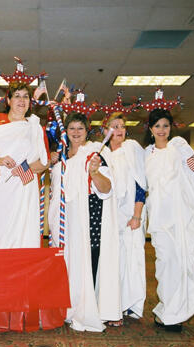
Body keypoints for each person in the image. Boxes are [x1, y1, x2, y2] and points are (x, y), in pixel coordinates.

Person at [0, 81, 50, 333]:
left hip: (24, 190)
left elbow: (44, 161)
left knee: (24, 245)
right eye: (17, 96)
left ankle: (19, 315)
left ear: (30, 102)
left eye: (26, 97)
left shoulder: (34, 126)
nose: (21, 101)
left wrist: (23, 168)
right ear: (8, 100)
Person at [144, 108, 194, 332]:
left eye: (165, 126)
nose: (161, 130)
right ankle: (167, 307)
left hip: (181, 217)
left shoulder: (179, 147)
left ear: (171, 128)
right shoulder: (145, 154)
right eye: (157, 126)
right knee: (165, 264)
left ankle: (172, 314)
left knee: (181, 264)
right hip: (159, 218)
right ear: (150, 129)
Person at [48, 112, 122, 331]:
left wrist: (94, 172)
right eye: (72, 128)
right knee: (67, 263)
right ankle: (68, 306)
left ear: (86, 130)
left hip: (88, 217)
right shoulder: (61, 155)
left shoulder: (96, 152)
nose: (76, 132)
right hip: (66, 220)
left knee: (88, 261)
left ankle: (87, 307)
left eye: (80, 128)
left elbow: (107, 187)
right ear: (65, 131)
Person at [104, 113, 147, 321]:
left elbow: (141, 184)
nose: (119, 129)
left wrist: (137, 215)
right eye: (114, 126)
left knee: (131, 260)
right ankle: (115, 303)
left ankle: (130, 304)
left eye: (122, 126)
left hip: (131, 215)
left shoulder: (131, 149)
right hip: (112, 217)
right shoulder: (103, 153)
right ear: (106, 130)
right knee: (114, 261)